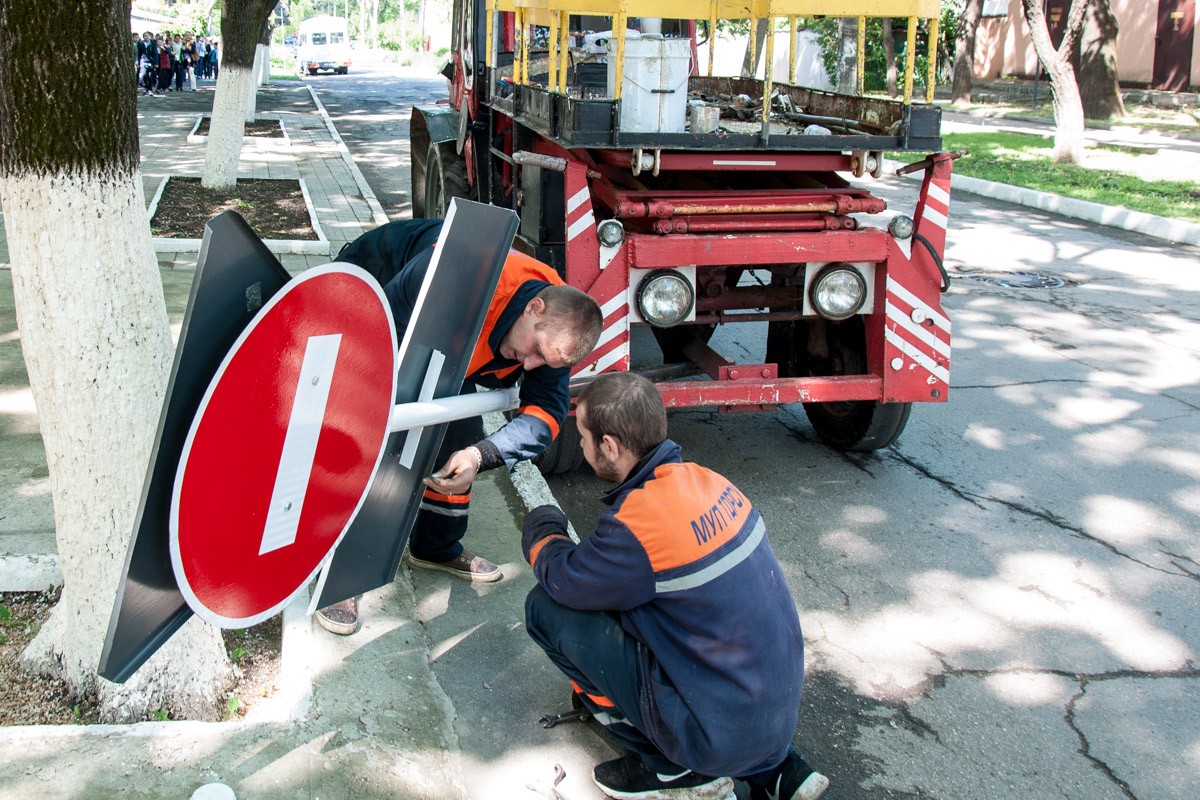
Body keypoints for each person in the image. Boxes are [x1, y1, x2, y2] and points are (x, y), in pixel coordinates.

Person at [521, 373, 829, 800]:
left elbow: (565, 581)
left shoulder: (639, 527)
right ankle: (776, 771)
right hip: (772, 720)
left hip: (716, 735)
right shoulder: (710, 482)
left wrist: (543, 523)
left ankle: (673, 770)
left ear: (610, 446)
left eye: (585, 438)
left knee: (546, 609)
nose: (582, 447)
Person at [314, 218, 603, 635]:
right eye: (535, 351)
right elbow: (380, 351)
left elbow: (546, 413)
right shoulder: (450, 276)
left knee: (461, 435)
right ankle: (339, 566)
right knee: (369, 435)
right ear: (533, 308)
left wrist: (479, 455)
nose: (529, 366)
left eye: (547, 363)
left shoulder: (559, 321)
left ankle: (435, 548)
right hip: (377, 288)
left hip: (459, 340)